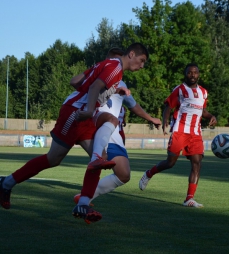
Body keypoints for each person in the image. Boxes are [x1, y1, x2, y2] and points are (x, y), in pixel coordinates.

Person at [0, 44, 149, 224]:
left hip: (84, 114)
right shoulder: (115, 68)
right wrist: (88, 108)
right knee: (53, 159)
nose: (142, 66)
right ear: (131, 54)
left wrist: (113, 91)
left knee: (100, 154)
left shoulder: (109, 66)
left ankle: (84, 203)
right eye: (141, 61)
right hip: (75, 113)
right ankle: (6, 183)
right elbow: (94, 87)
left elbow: (75, 81)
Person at [73, 79, 162, 219]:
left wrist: (150, 118)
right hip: (104, 129)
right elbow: (80, 86)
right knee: (96, 161)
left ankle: (84, 197)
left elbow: (133, 105)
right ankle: (85, 199)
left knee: (124, 174)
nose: (140, 65)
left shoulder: (123, 84)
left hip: (116, 135)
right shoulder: (99, 77)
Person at [139, 63, 217, 208]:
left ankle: (189, 198)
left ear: (199, 74)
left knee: (197, 164)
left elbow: (203, 111)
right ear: (185, 74)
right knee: (170, 163)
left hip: (195, 133)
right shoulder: (180, 90)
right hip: (180, 131)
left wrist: (211, 116)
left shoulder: (204, 92)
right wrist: (165, 122)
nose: (192, 75)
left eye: (195, 72)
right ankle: (149, 173)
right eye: (189, 72)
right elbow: (168, 107)